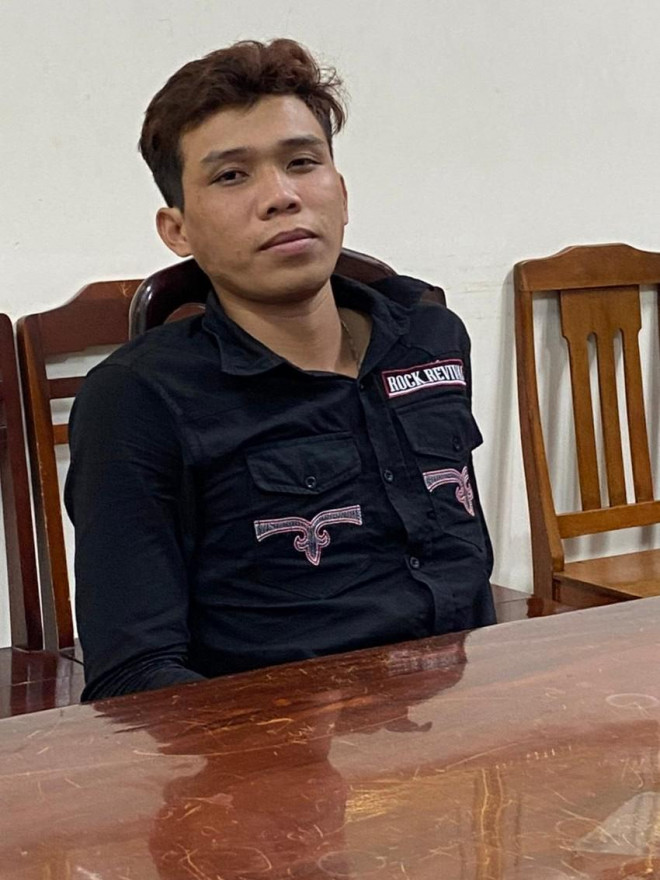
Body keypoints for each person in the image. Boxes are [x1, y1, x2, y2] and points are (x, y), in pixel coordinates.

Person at [65, 38, 495, 701]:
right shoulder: (137, 397)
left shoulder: (430, 339)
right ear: (177, 230)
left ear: (341, 193)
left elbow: (468, 588)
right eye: (231, 176)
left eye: (302, 162)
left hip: (469, 720)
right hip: (280, 747)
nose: (281, 196)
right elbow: (133, 674)